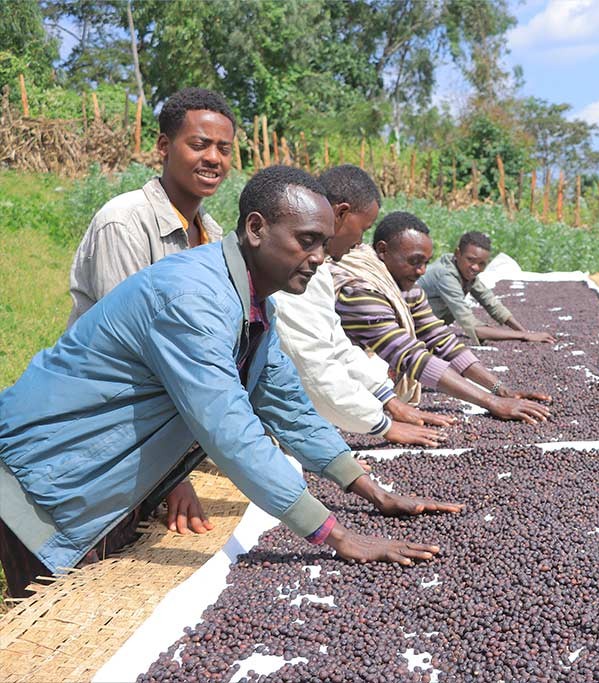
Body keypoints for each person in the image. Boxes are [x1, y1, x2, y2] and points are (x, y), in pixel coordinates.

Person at [0, 166, 460, 599]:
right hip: (41, 474)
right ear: (257, 229)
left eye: (323, 243)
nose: (320, 257)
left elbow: (287, 404)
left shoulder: (256, 302)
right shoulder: (193, 300)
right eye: (306, 241)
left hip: (85, 475)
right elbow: (228, 428)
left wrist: (374, 493)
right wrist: (336, 536)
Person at [66, 87, 238, 537]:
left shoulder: (213, 237)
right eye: (199, 144)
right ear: (163, 148)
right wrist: (171, 477)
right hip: (106, 419)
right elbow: (128, 355)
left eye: (224, 148)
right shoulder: (124, 222)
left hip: (160, 421)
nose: (214, 159)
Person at [274, 165, 453, 448]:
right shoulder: (294, 268)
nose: (360, 242)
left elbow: (336, 343)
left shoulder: (318, 267)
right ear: (342, 213)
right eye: (363, 229)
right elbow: (314, 365)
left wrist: (388, 400)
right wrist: (383, 425)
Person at [334, 212, 552, 423]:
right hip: (339, 390)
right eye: (415, 261)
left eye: (426, 262)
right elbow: (410, 356)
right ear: (383, 250)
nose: (421, 271)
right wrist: (491, 402)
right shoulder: (361, 290)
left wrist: (501, 390)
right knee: (376, 369)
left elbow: (440, 340)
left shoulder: (407, 288)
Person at [418, 231, 556, 345]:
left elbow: (490, 302)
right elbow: (470, 325)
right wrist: (523, 336)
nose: (475, 267)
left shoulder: (463, 271)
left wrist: (525, 332)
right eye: (470, 260)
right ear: (457, 253)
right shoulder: (446, 276)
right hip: (410, 327)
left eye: (482, 264)